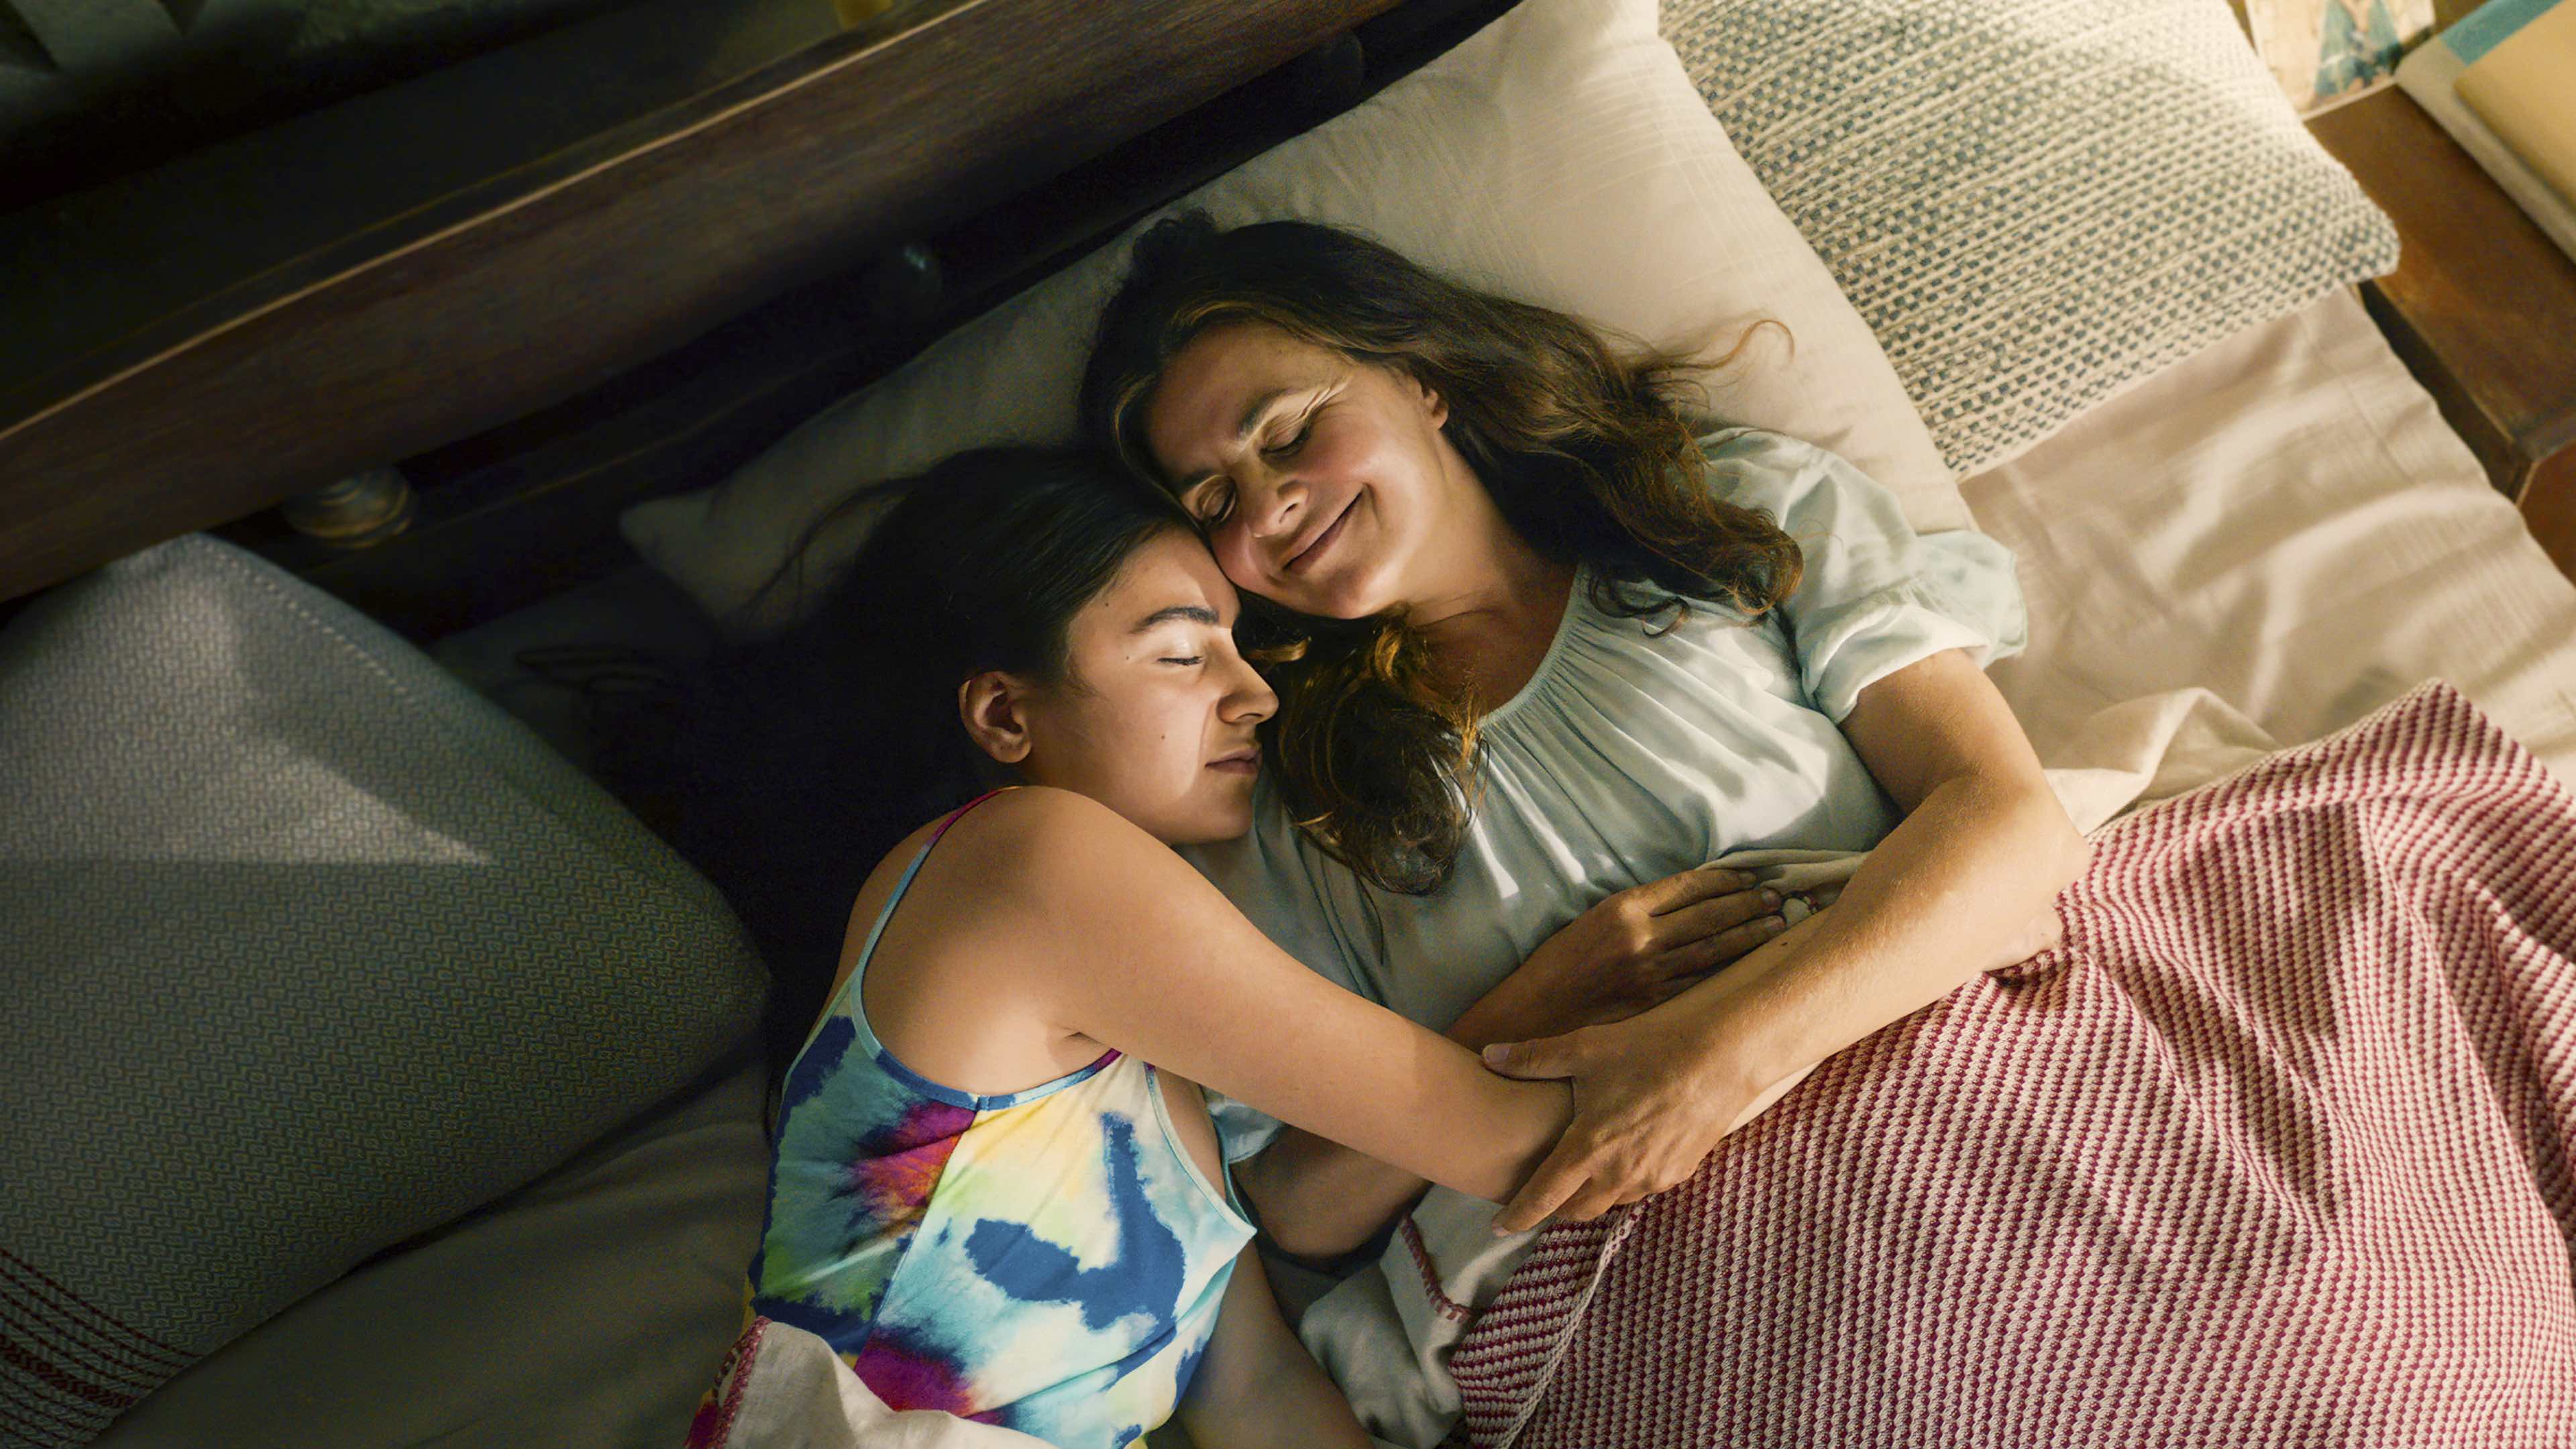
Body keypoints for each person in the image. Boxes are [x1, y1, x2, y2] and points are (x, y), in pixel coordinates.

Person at [678, 447, 1805, 1449]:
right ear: (1006, 718)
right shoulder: (1025, 859)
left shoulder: (1144, 1060)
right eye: (1183, 654)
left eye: (1238, 643)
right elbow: (1527, 1152)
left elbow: (1258, 1395)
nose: (1256, 693)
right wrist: (1835, 980)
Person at [1077, 213, 2089, 1263]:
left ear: (1422, 379)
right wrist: (1530, 1006)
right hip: (1658, 1260)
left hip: (1980, 1079)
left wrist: (1700, 1065)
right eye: (1215, 501)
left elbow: (2014, 827)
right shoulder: (1291, 797)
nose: (1267, 508)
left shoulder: (1721, 514)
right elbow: (1295, 1204)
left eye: (1288, 435)